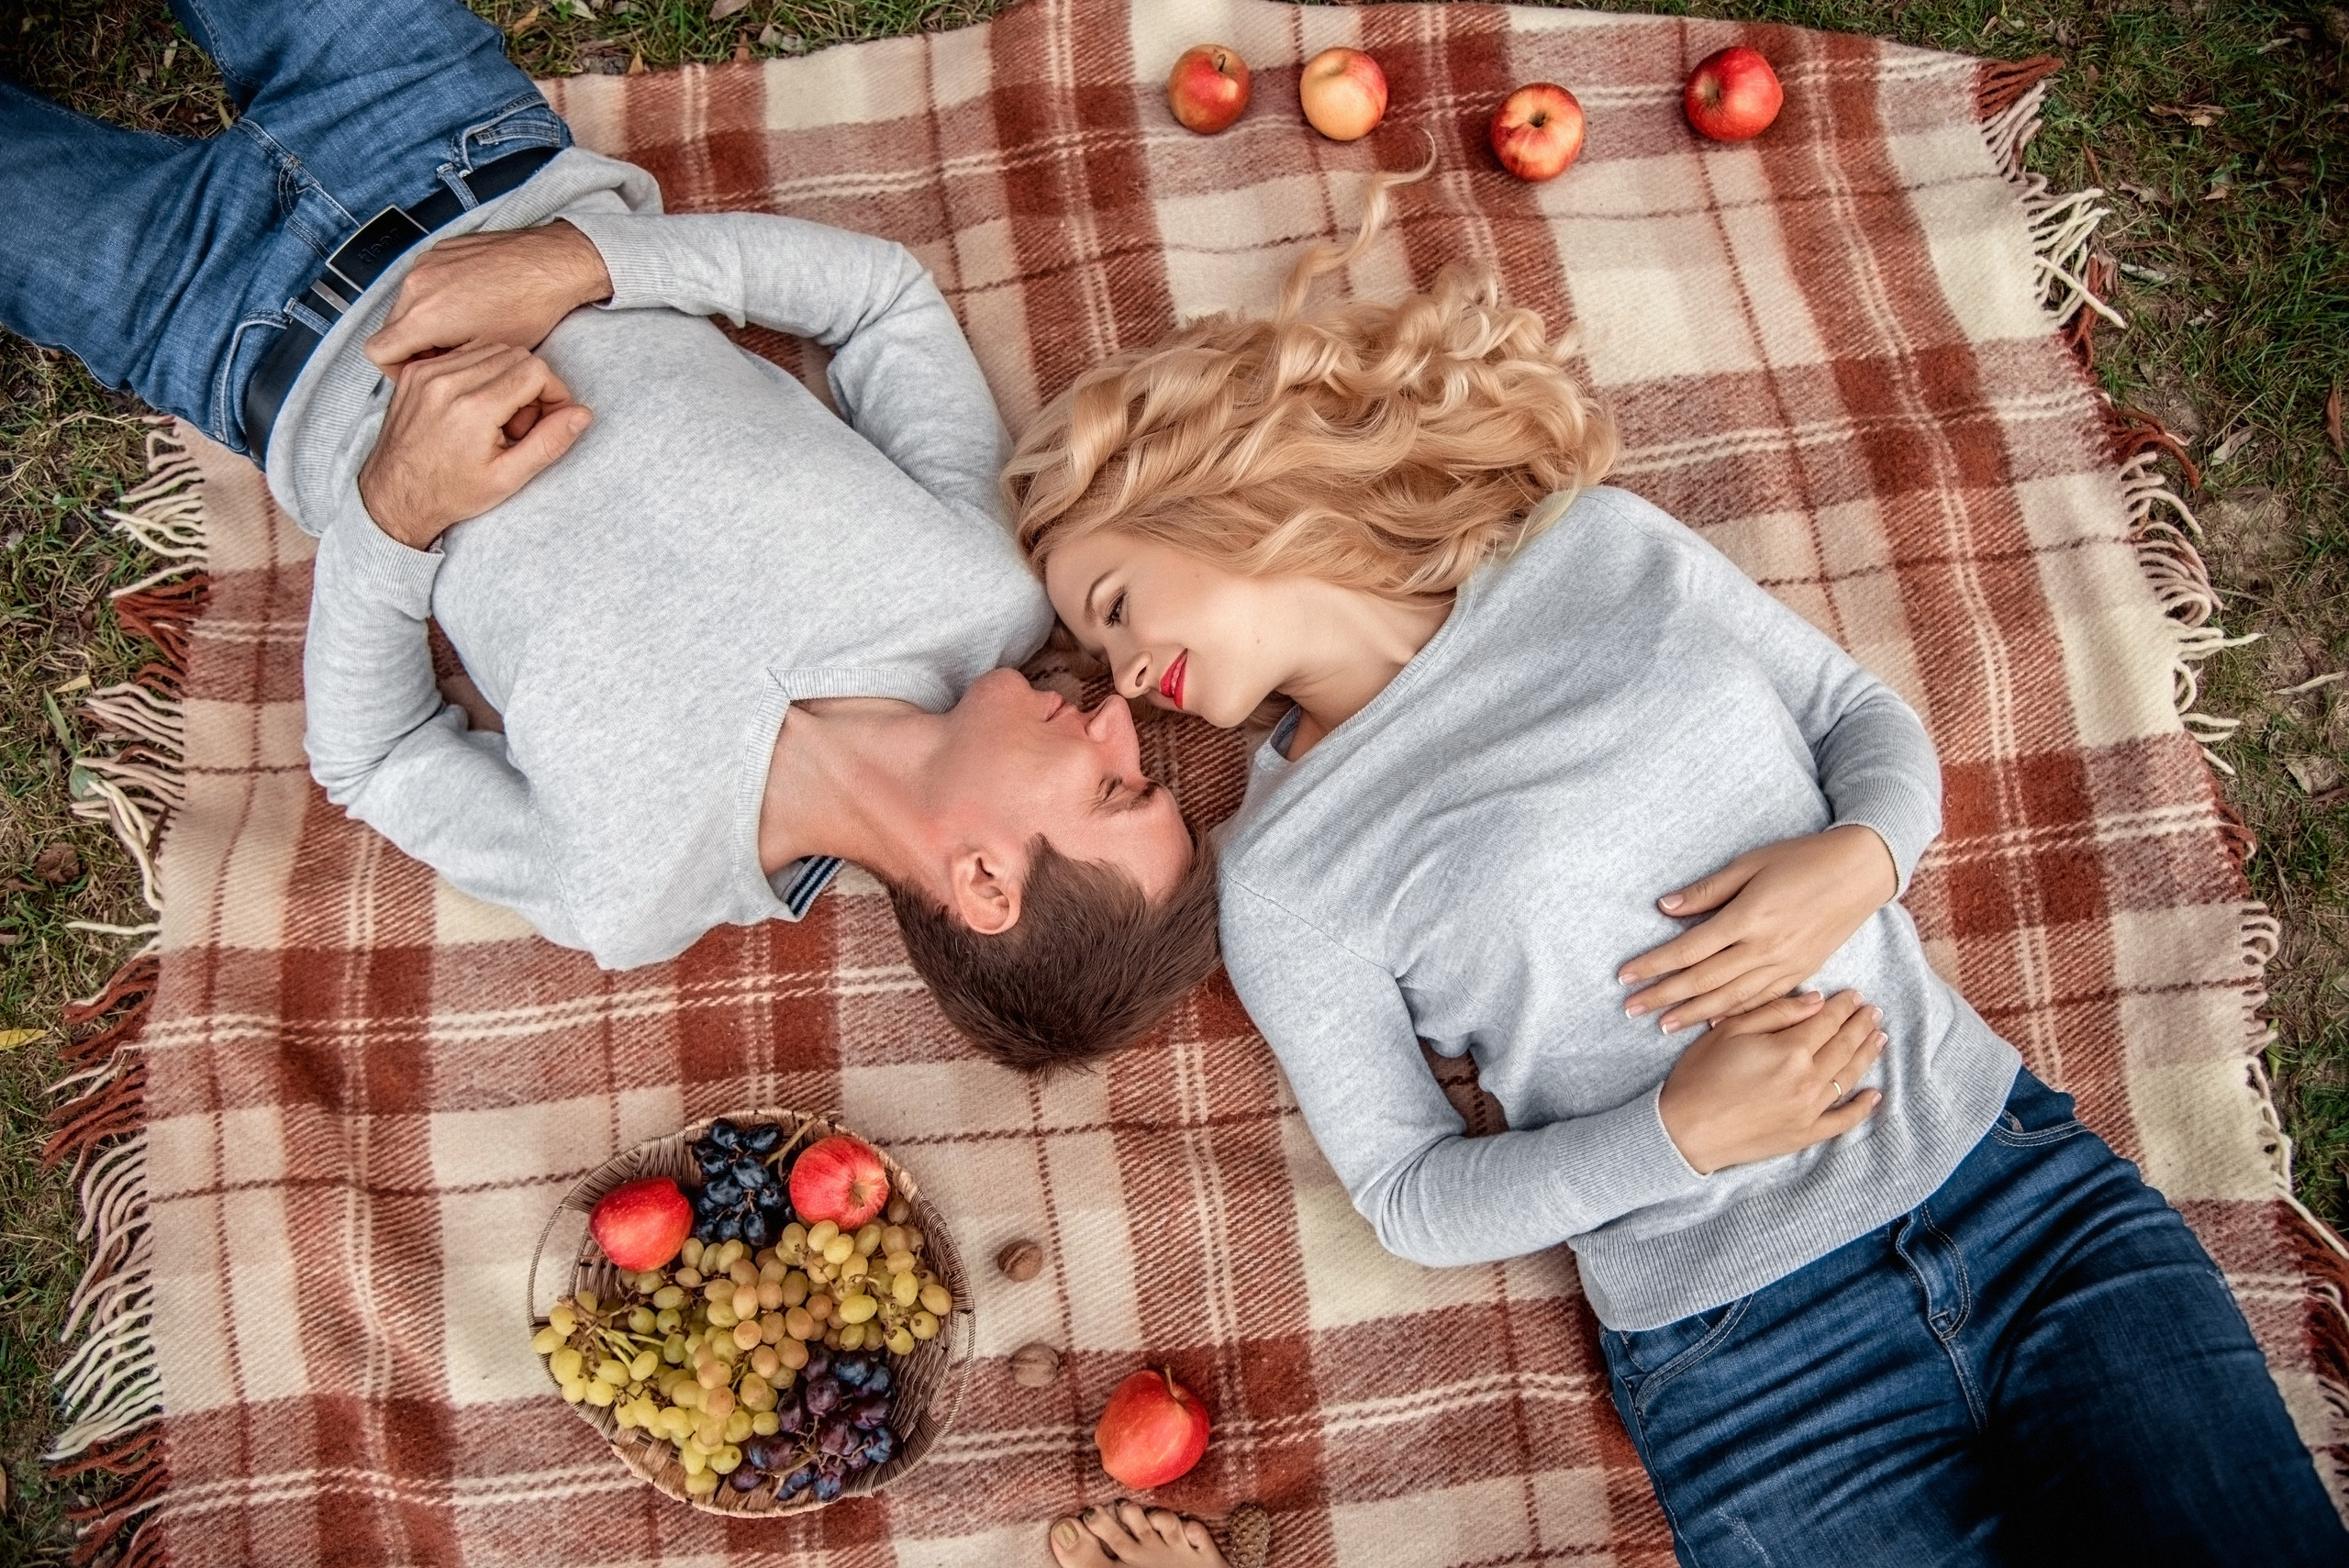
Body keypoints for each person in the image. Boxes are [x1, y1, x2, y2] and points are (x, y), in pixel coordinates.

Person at [1006, 174, 2348, 1564]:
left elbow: (1857, 720)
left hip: (2020, 1200)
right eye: (1100, 656)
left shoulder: (1593, 548)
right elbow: (1410, 1187)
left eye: (1114, 606)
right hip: (1753, 1367)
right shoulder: (1281, 871)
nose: (1125, 675)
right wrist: (1678, 1135)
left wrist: (1858, 861)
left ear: (1212, 487)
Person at [0, 0, 1219, 1062]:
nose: (1116, 715)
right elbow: (880, 303)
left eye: (1113, 786)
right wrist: (580, 268)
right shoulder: (982, 591)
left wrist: (394, 515)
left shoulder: (630, 889)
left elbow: (373, 761)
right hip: (446, 137)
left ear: (985, 881)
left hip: (226, 326)